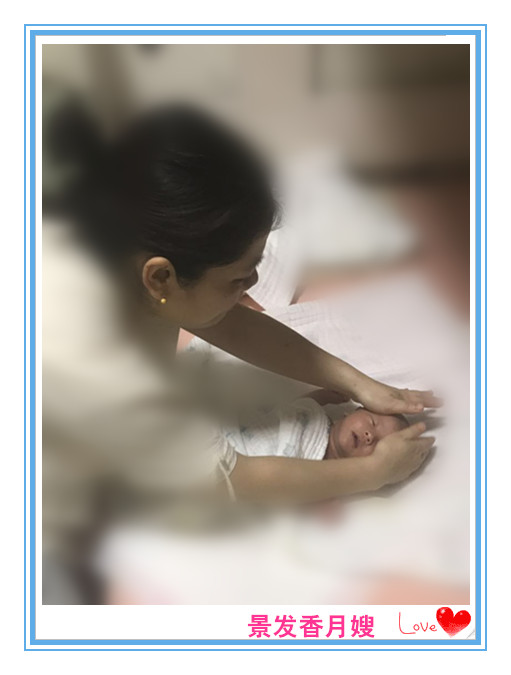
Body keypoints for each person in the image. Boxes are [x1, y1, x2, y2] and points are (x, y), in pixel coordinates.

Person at [43, 104, 439, 602]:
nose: (252, 285)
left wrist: (359, 383)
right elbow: (228, 477)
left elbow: (227, 320)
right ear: (162, 277)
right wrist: (371, 472)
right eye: (237, 278)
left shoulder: (124, 251)